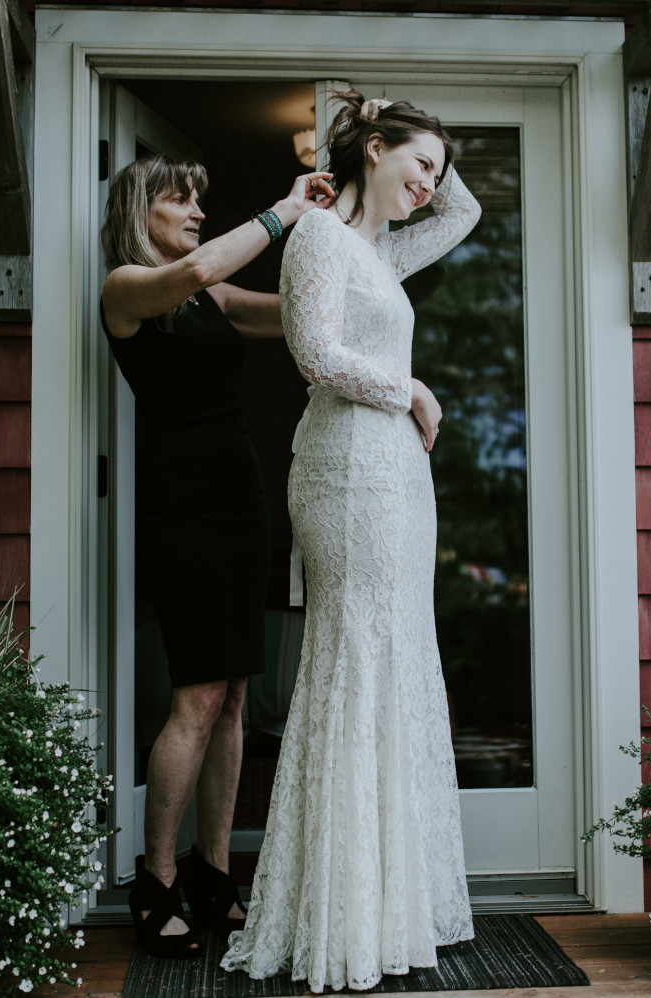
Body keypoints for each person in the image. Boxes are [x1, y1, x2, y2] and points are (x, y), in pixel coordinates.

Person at [220, 92, 481, 992]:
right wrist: (409, 390)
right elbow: (316, 354)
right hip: (344, 472)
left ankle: (390, 900)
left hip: (400, 481)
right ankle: (338, 912)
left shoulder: (384, 249)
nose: (430, 185)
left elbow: (467, 211)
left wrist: (417, 144)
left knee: (400, 655)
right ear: (374, 148)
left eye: (435, 172)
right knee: (354, 657)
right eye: (417, 164)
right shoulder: (323, 237)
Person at [99, 155, 333, 958]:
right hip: (184, 510)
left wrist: (347, 239)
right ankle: (155, 878)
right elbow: (201, 263)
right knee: (196, 697)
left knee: (234, 694)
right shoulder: (127, 287)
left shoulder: (211, 298)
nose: (196, 211)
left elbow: (299, 318)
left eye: (201, 199)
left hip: (241, 501)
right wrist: (284, 211)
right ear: (141, 209)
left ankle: (210, 869)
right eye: (180, 199)